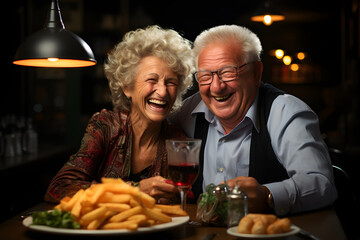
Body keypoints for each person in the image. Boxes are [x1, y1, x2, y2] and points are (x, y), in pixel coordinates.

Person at [169, 25, 337, 216]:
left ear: (256, 72)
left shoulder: (285, 112)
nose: (216, 87)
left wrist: (267, 196)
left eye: (227, 72)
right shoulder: (187, 112)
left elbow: (322, 184)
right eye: (205, 76)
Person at [45, 25, 194, 204]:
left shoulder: (178, 142)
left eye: (170, 82)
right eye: (152, 80)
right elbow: (59, 188)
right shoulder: (106, 126)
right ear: (127, 87)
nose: (162, 92)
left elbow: (188, 197)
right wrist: (135, 190)